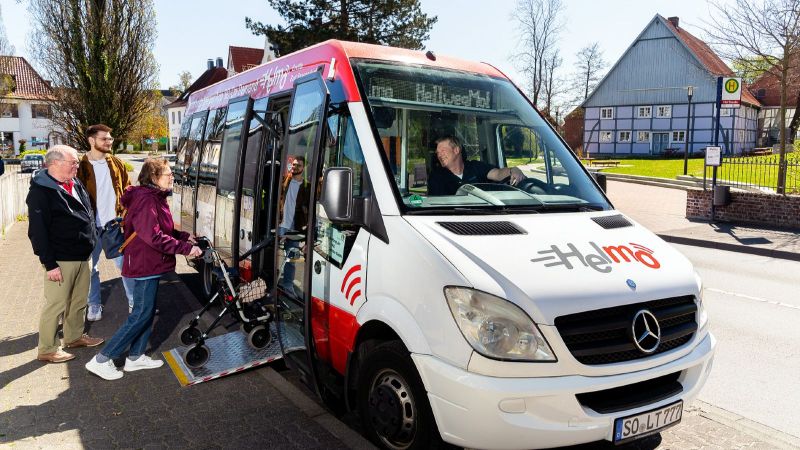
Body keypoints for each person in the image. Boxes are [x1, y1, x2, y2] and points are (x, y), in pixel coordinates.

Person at [85, 158, 202, 380]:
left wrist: (186, 237)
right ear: (155, 178)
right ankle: (102, 359)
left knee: (145, 312)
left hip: (149, 263)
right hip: (144, 263)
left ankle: (136, 357)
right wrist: (186, 249)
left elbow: (163, 229)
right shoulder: (147, 200)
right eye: (168, 174)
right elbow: (154, 237)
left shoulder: (153, 198)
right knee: (140, 314)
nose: (172, 178)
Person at [27, 145, 104, 363]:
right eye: (73, 162)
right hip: (60, 259)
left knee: (79, 301)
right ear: (54, 163)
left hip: (83, 255)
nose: (77, 166)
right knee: (56, 305)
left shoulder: (75, 183)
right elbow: (37, 232)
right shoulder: (40, 192)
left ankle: (74, 337)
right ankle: (48, 349)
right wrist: (49, 264)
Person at [77, 124, 134, 321]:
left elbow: (128, 190)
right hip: (90, 227)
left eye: (110, 138)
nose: (109, 142)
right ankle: (93, 304)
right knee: (91, 269)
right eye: (104, 139)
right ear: (92, 141)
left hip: (114, 226)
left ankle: (134, 302)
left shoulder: (117, 163)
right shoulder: (80, 167)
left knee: (126, 266)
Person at [427, 135, 526, 196]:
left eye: (443, 151)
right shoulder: (436, 177)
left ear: (456, 150)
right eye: (437, 153)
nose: (439, 155)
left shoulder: (475, 166)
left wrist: (513, 170)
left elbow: (498, 174)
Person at [277, 156, 309, 293]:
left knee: (291, 258)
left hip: (294, 226)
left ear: (304, 168)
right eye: (294, 165)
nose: (295, 167)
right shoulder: (285, 180)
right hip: (280, 224)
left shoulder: (307, 187)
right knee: (272, 253)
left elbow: (308, 208)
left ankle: (288, 285)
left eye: (299, 166)